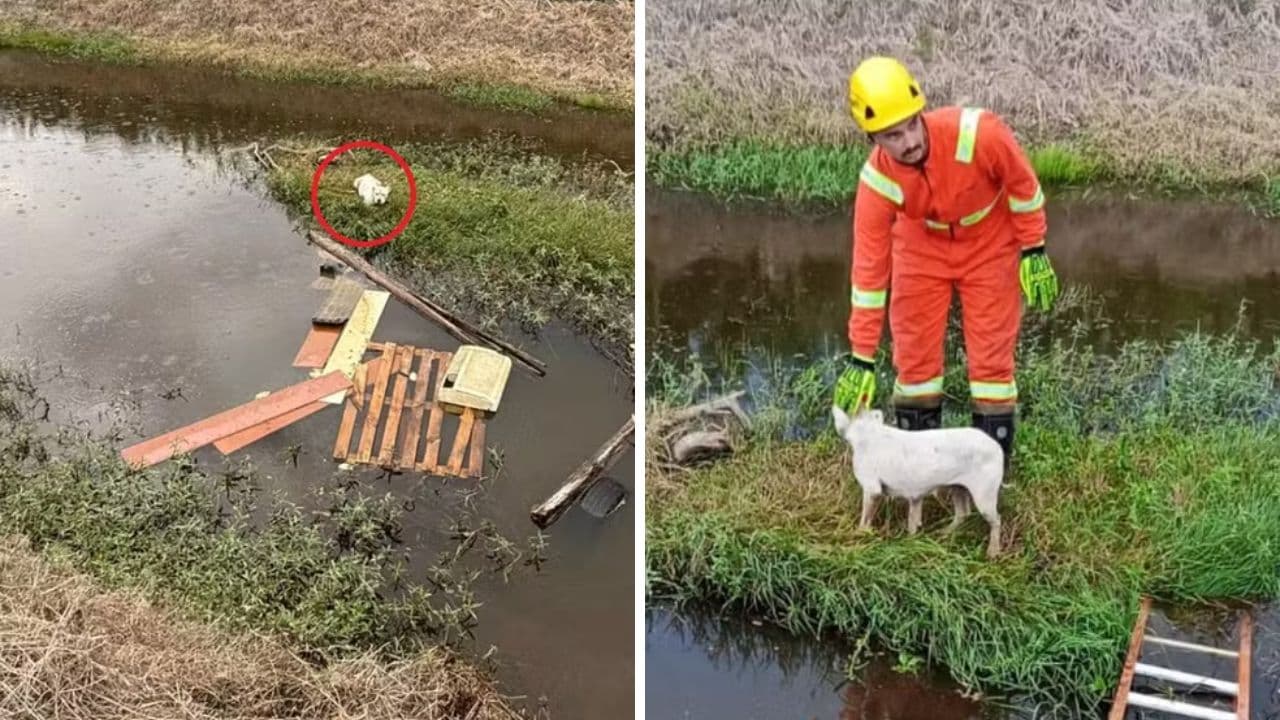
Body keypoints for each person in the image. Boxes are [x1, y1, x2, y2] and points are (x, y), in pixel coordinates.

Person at [832, 56, 1060, 460]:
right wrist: (862, 356)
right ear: (873, 139)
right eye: (892, 135)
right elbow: (868, 275)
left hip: (990, 241)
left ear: (922, 112)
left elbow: (1024, 186)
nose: (909, 142)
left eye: (911, 126)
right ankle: (920, 469)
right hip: (920, 248)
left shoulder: (979, 133)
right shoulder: (877, 182)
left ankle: (990, 471)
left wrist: (1033, 246)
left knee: (992, 364)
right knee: (915, 365)